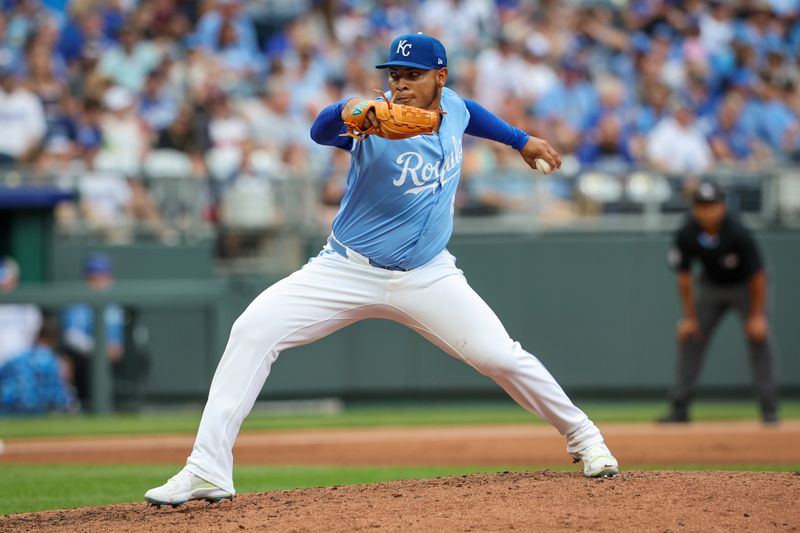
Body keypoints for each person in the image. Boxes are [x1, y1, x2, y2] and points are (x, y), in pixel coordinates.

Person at [144, 33, 619, 507]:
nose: (401, 83)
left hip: (427, 274)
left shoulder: (453, 106)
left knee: (500, 356)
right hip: (346, 270)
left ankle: (585, 437)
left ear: (440, 77)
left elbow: (472, 113)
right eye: (394, 74)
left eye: (412, 75)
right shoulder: (373, 120)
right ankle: (207, 469)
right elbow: (320, 131)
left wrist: (521, 140)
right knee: (251, 330)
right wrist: (347, 109)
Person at [660, 182, 778, 424]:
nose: (707, 212)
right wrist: (689, 317)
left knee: (759, 338)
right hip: (711, 287)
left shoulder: (738, 231)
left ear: (722, 207)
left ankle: (769, 408)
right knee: (690, 336)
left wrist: (757, 316)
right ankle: (680, 408)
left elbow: (758, 276)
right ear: (695, 209)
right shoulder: (687, 232)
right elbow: (684, 277)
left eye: (712, 206)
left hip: (746, 288)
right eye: (702, 206)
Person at [60, 253, 125, 407]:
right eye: (93, 277)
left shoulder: (114, 303)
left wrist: (114, 348)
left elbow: (117, 340)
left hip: (111, 358)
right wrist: (99, 349)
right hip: (84, 357)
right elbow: (71, 337)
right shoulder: (76, 301)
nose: (98, 281)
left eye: (102, 276)